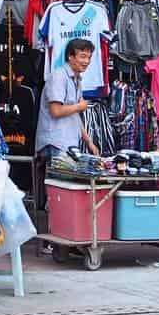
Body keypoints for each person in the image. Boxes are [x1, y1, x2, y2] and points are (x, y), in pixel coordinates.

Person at [35, 38, 99, 220]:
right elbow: (56, 111)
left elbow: (74, 115)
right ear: (70, 57)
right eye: (82, 56)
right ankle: (51, 241)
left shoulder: (77, 79)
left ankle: (63, 238)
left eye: (89, 57)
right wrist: (79, 106)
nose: (86, 61)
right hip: (54, 142)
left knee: (65, 191)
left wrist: (88, 141)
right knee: (59, 193)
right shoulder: (58, 77)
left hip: (67, 143)